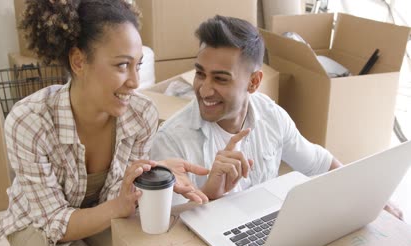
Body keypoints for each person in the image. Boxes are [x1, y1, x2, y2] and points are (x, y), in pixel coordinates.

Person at [0, 1, 208, 246]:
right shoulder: (30, 121)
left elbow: (120, 194)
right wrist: (119, 206)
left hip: (105, 211)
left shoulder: (141, 115)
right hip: (38, 223)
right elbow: (54, 222)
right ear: (78, 61)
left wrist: (153, 172)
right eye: (122, 65)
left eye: (138, 65)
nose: (135, 82)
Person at [149, 15, 403, 220]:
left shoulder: (271, 117)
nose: (204, 89)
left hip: (260, 231)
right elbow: (165, 224)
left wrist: (370, 196)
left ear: (254, 82)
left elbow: (320, 163)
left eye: (220, 78)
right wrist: (209, 194)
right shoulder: (172, 139)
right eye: (200, 74)